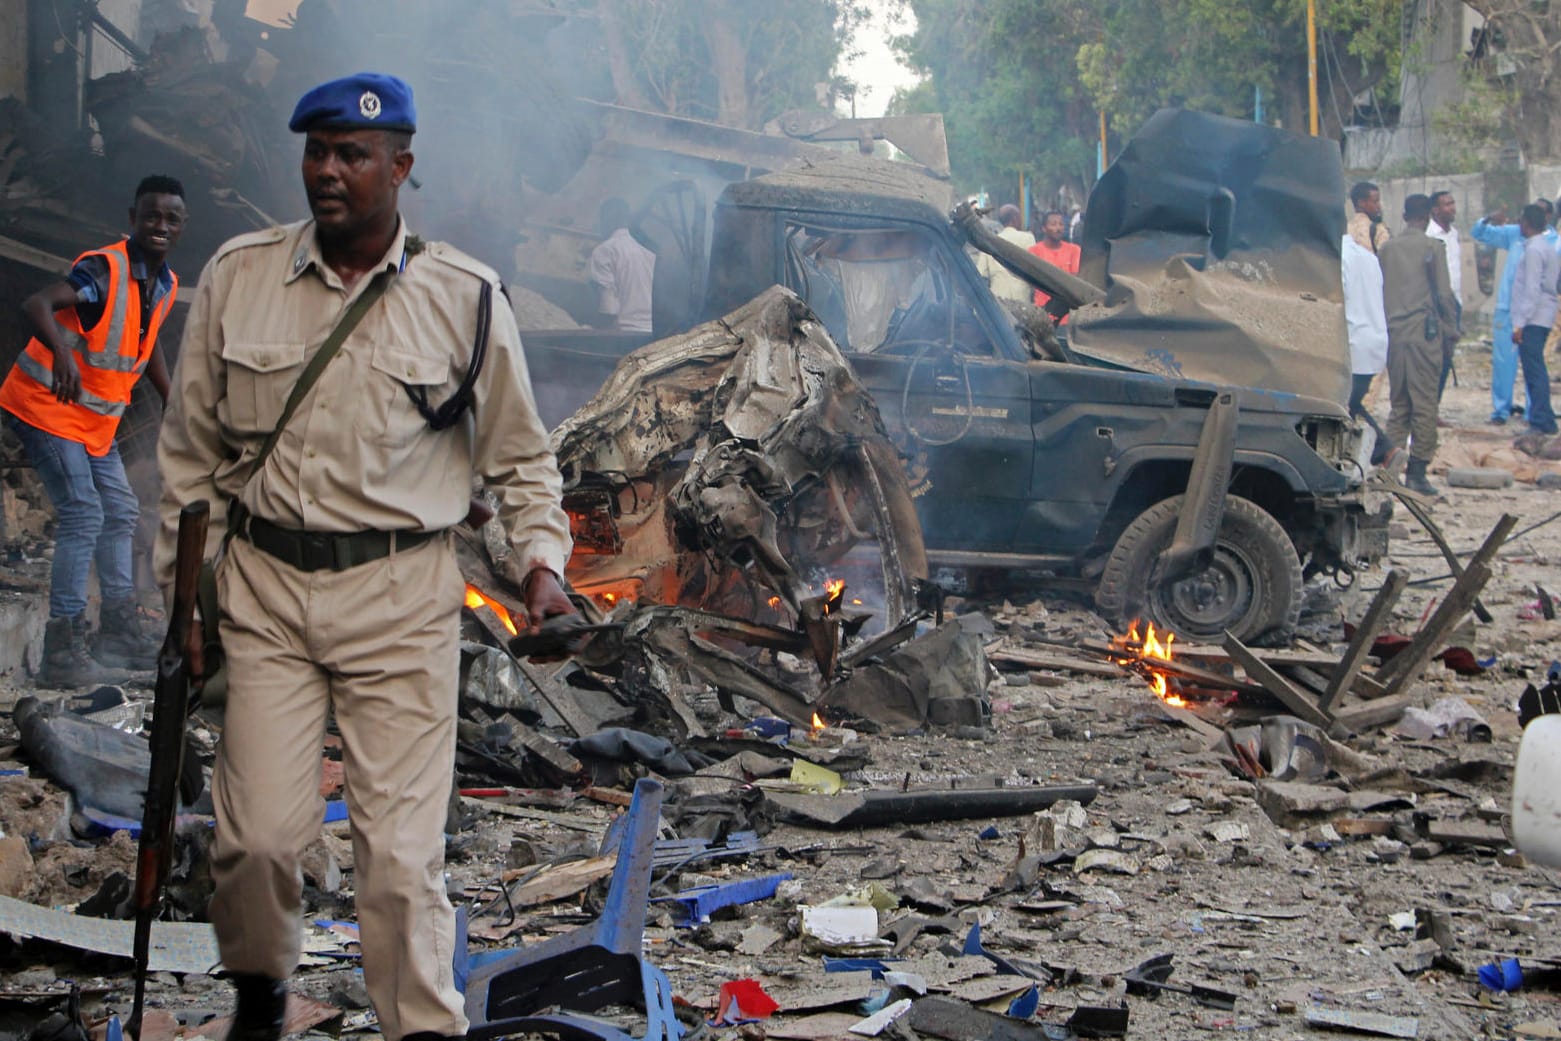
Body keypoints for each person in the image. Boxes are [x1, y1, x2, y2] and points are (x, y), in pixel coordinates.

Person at [154, 73, 575, 1041]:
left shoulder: (464, 298)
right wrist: (186, 601)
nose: (329, 172)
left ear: (401, 167)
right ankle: (260, 993)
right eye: (317, 152)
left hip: (403, 595)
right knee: (256, 841)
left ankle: (421, 1030)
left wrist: (540, 564)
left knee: (397, 859)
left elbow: (519, 456)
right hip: (264, 592)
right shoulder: (238, 274)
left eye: (352, 155)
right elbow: (191, 456)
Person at [0, 175, 187, 687]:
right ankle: (63, 648)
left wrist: (171, 397)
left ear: (181, 226)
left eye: (171, 219)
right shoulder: (103, 271)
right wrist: (61, 350)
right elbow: (36, 303)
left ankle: (117, 631)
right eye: (151, 216)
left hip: (92, 422)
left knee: (121, 510)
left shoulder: (165, 283)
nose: (160, 226)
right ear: (133, 219)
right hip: (44, 406)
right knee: (84, 511)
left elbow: (146, 345)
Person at [1378, 194, 1459, 497]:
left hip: (1394, 334)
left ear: (1403, 214)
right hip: (1424, 335)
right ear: (1427, 216)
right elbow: (1444, 294)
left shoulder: (1386, 249)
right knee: (1424, 405)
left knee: (1399, 404)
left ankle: (1391, 470)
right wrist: (1451, 329)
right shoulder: (1432, 248)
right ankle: (1418, 471)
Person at [1471, 201, 1558, 423]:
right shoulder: (1515, 235)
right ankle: (1501, 410)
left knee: (1533, 363)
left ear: (1545, 217)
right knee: (1503, 362)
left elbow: (1537, 287)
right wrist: (1490, 217)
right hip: (1507, 308)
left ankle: (1533, 411)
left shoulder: (1553, 243)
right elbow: (1479, 233)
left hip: (1534, 313)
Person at [1508, 203, 1559, 436]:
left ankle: (1540, 420)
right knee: (1536, 368)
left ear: (1526, 223)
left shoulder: (1534, 250)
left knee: (1534, 370)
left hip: (1534, 317)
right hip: (1543, 314)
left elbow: (1531, 290)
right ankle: (1545, 418)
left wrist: (1520, 323)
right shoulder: (1547, 247)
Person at [1340, 233, 1390, 460]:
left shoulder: (1338, 258)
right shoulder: (1369, 258)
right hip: (1374, 342)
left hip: (1352, 343)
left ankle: (1384, 450)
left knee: (1342, 406)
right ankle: (1384, 451)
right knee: (1350, 404)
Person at [588, 197, 655, 334]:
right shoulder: (648, 254)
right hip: (650, 332)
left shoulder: (605, 250)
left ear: (607, 219)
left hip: (624, 333)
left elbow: (609, 307)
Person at [1425, 189, 1462, 398]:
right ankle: (1428, 408)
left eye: (1452, 203)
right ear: (1435, 210)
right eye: (1446, 204)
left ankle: (1434, 406)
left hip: (1454, 301)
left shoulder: (1454, 233)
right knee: (1435, 358)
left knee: (1447, 358)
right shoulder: (1429, 236)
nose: (1452, 208)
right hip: (1437, 303)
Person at [976, 203, 1036, 304]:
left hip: (998, 297)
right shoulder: (1028, 238)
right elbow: (1035, 269)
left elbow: (981, 272)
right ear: (1015, 218)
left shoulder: (991, 241)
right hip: (1022, 297)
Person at [1027, 210, 1082, 319]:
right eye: (1053, 224)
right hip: (1042, 314)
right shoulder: (1034, 252)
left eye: (1061, 224)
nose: (1058, 228)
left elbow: (1076, 280)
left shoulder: (1074, 250)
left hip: (1069, 316)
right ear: (1043, 228)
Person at [1348, 181, 1390, 255]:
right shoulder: (1378, 229)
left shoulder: (1345, 230)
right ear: (1361, 203)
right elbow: (1386, 258)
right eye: (1375, 202)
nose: (1379, 206)